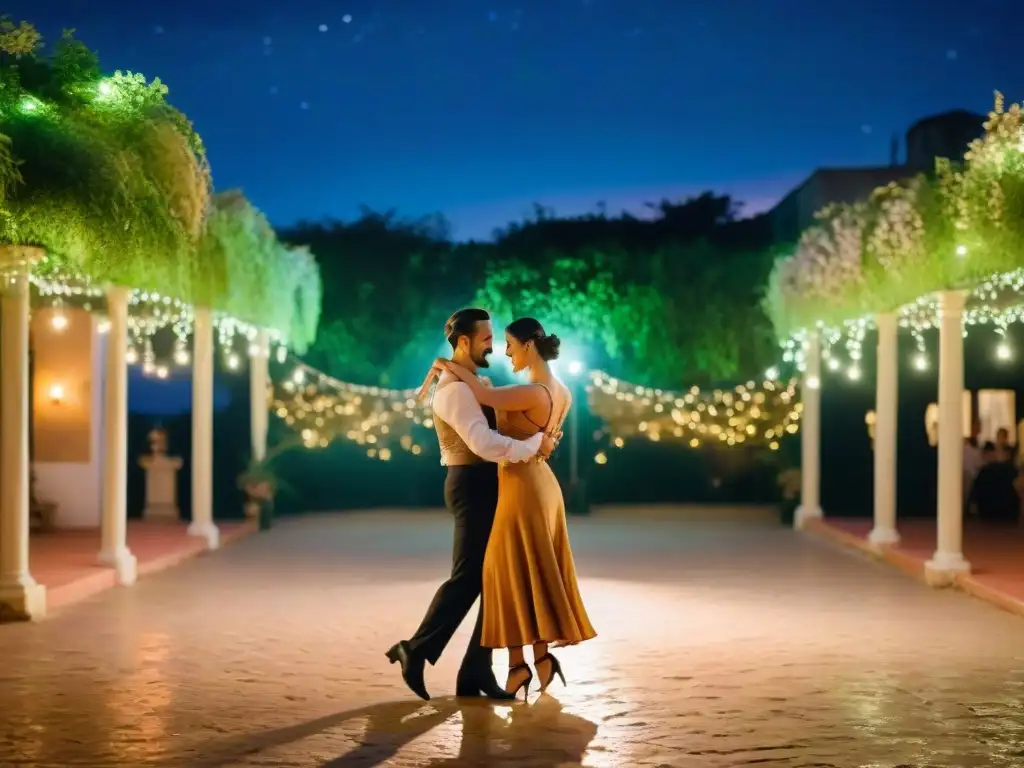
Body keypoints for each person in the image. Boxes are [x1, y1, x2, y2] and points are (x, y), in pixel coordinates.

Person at [386, 308, 556, 702]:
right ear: (464, 341)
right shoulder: (454, 391)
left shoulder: (471, 382)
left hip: (486, 483)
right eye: (485, 339)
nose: (493, 346)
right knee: (468, 578)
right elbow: (483, 444)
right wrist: (534, 447)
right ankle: (415, 649)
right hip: (471, 484)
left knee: (492, 579)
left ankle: (475, 670)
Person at [424, 317, 597, 699]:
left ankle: (523, 664)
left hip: (519, 483)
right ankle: (535, 659)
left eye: (509, 345)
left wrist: (449, 367)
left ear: (529, 346)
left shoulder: (530, 392)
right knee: (528, 568)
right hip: (539, 481)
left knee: (507, 571)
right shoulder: (562, 390)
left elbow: (485, 399)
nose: (504, 352)